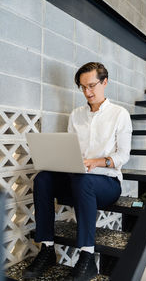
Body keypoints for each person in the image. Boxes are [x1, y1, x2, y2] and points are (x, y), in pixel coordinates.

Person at [23, 62, 132, 281]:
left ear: (105, 82)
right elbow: (69, 149)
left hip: (107, 183)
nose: (87, 92)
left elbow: (123, 156)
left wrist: (97, 162)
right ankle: (46, 249)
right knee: (44, 178)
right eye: (83, 87)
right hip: (77, 179)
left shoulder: (120, 114)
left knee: (84, 182)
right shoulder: (76, 115)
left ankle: (87, 257)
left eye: (92, 86)